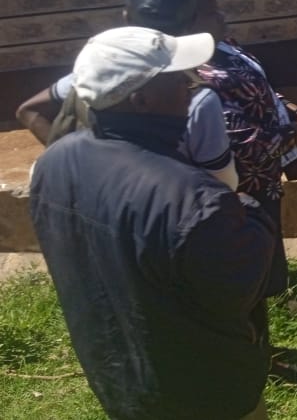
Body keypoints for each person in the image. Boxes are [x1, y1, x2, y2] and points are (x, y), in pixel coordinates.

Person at [30, 27, 275, 420]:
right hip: (207, 394)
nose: (190, 84)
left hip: (119, 378)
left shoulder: (53, 163)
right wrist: (247, 207)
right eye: (177, 77)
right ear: (140, 98)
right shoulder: (195, 201)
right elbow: (240, 286)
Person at [15, 0, 238, 191]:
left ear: (127, 17)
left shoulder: (95, 75)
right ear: (192, 23)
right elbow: (224, 183)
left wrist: (75, 163)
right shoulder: (199, 97)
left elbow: (29, 110)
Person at [192, 0, 297, 299]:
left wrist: (293, 108)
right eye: (212, 12)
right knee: (253, 235)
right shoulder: (202, 73)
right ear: (192, 21)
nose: (222, 16)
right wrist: (292, 136)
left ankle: (278, 294)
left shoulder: (228, 48)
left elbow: (263, 87)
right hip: (243, 175)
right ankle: (262, 302)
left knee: (271, 227)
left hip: (267, 171)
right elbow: (241, 141)